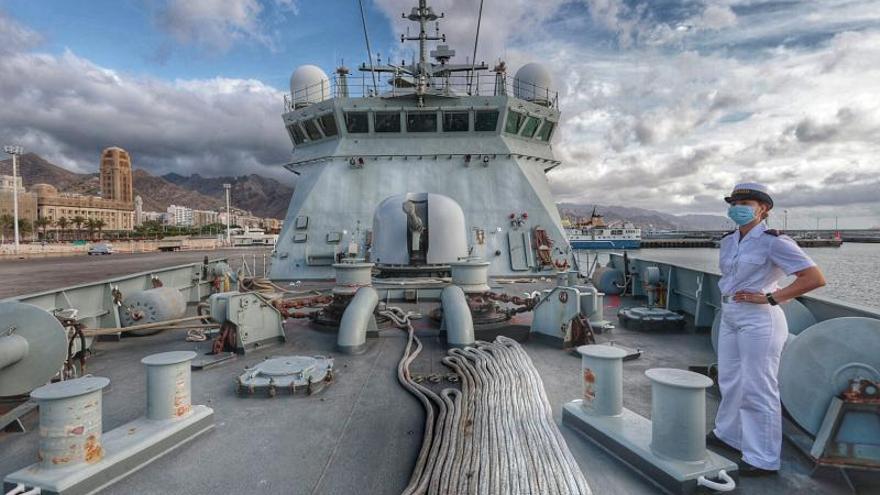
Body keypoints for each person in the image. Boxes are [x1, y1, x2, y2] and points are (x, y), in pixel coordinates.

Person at [709, 182, 826, 476]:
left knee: (758, 385)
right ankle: (729, 435)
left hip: (759, 317)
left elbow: (813, 277)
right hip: (731, 313)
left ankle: (762, 457)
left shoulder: (775, 241)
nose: (738, 207)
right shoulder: (728, 241)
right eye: (734, 202)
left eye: (746, 202)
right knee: (730, 378)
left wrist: (772, 297)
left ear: (764, 209)